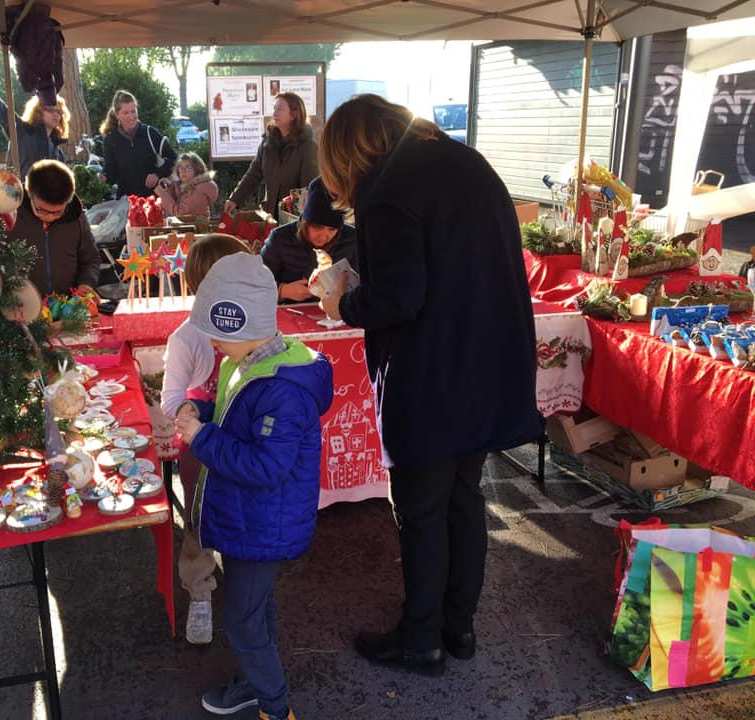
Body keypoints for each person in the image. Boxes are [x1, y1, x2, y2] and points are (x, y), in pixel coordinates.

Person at [318, 95, 538, 676]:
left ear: (348, 150)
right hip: (489, 362)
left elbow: (399, 297)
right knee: (464, 497)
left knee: (421, 508)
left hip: (433, 374)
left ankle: (421, 636)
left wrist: (343, 302)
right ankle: (458, 625)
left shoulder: (389, 186)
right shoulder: (467, 162)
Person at [174, 252, 333, 720]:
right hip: (251, 518)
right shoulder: (252, 362)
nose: (214, 345)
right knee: (255, 608)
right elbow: (233, 416)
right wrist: (202, 414)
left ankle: (274, 704)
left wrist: (201, 438)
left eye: (217, 335)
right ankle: (256, 679)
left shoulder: (281, 389)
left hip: (262, 523)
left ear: (240, 327)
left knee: (243, 619)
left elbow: (266, 467)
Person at [160, 233, 249, 645]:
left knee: (241, 510)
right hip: (201, 442)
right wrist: (187, 413)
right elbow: (171, 398)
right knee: (197, 518)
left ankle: (244, 578)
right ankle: (199, 587)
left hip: (243, 439)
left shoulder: (254, 326)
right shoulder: (186, 336)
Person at [7, 160, 100, 296]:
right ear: (30, 195)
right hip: (21, 307)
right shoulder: (11, 214)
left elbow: (90, 259)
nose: (49, 217)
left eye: (57, 212)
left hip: (69, 307)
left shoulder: (76, 216)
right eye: (41, 210)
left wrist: (86, 283)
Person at [0, 61, 69, 179]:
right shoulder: (22, 130)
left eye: (59, 111)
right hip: (19, 195)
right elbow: (0, 109)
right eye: (50, 110)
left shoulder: (57, 152)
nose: (56, 114)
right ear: (38, 111)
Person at [262, 176, 357, 303]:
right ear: (305, 223)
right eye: (317, 227)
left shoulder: (351, 239)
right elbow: (254, 285)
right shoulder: (280, 239)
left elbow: (366, 286)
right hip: (289, 310)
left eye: (332, 230)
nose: (324, 236)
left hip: (338, 314)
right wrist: (282, 290)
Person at [224, 93, 318, 218]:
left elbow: (309, 188)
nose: (274, 114)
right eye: (274, 109)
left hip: (294, 218)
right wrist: (235, 199)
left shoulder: (308, 146)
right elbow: (253, 174)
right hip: (270, 215)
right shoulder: (267, 143)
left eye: (280, 109)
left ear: (294, 114)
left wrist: (301, 217)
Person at [99, 90, 176, 198]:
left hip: (154, 199)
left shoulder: (150, 133)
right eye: (126, 113)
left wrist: (157, 174)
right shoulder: (110, 140)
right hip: (127, 201)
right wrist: (104, 177)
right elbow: (111, 169)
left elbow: (173, 157)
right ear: (117, 115)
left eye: (133, 111)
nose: (131, 116)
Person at [153, 152, 219, 217]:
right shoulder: (186, 187)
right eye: (180, 168)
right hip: (188, 227)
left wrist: (162, 194)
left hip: (196, 227)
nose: (183, 171)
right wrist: (171, 187)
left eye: (188, 168)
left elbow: (180, 214)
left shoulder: (200, 190)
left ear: (197, 169)